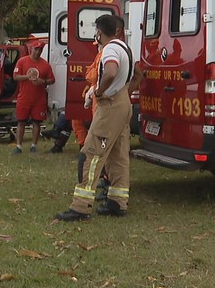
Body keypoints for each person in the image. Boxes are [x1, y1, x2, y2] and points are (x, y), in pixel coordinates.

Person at [56, 14, 139, 221]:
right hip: (123, 104)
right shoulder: (125, 49)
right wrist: (124, 93)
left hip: (110, 107)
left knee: (91, 154)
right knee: (118, 156)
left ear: (99, 32)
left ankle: (81, 206)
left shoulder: (109, 50)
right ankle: (117, 202)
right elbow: (138, 75)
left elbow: (110, 72)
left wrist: (100, 92)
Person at [11, 43, 54, 154]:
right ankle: (18, 146)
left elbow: (52, 79)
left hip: (39, 99)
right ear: (31, 49)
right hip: (24, 98)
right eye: (36, 49)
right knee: (21, 122)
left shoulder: (45, 64)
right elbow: (15, 76)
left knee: (37, 122)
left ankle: (34, 145)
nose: (37, 52)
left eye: (40, 50)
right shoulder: (22, 61)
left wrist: (43, 81)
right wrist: (27, 77)